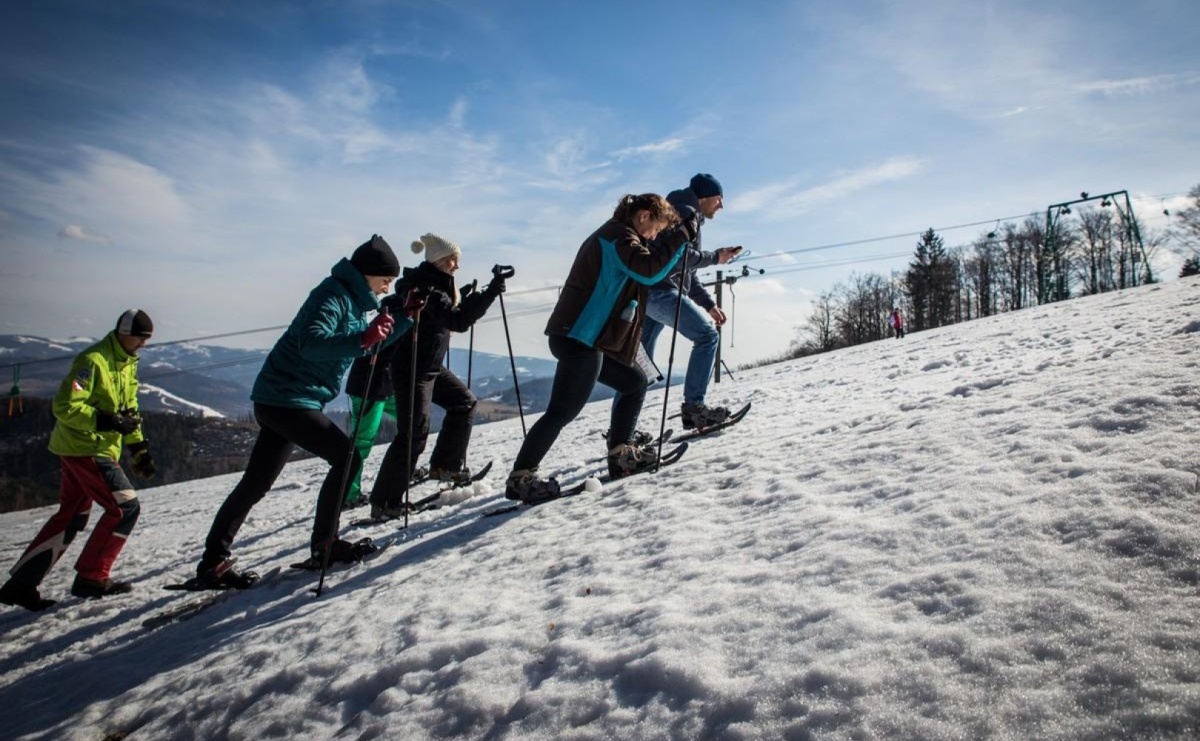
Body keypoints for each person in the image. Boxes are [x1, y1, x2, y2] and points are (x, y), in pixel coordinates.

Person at [188, 235, 405, 588]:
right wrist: (363, 339)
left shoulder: (351, 301)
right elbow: (312, 343)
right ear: (369, 273)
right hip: (288, 398)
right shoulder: (333, 295)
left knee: (256, 482)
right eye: (386, 280)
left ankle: (213, 562)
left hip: (285, 398)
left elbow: (360, 347)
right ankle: (325, 545)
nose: (387, 287)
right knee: (346, 457)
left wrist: (405, 320)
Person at [504, 193, 697, 504]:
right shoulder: (617, 237)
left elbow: (649, 269)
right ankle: (520, 477)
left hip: (584, 336)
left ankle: (621, 454)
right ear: (644, 216)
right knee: (562, 411)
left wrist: (676, 240)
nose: (655, 236)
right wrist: (681, 238)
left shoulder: (619, 236)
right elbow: (648, 270)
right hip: (580, 336)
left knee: (634, 382)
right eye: (657, 228)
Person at [0, 310, 157, 611]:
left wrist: (139, 447)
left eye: (146, 340)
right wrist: (107, 421)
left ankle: (20, 585)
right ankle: (92, 577)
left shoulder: (127, 363)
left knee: (71, 516)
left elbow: (130, 409)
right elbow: (65, 406)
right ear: (123, 333)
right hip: (86, 448)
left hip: (93, 448)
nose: (142, 345)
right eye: (140, 338)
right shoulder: (92, 361)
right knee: (125, 508)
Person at [368, 234, 505, 519]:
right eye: (452, 260)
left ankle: (446, 465)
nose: (457, 265)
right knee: (414, 433)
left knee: (464, 402)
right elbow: (457, 321)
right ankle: (384, 502)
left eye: (457, 260)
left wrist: (470, 298)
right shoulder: (426, 287)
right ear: (438, 260)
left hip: (429, 366)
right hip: (413, 369)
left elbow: (451, 314)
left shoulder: (434, 284)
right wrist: (489, 293)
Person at [638, 173, 742, 430]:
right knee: (707, 337)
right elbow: (681, 255)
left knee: (640, 367)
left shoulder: (680, 210)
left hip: (649, 292)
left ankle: (622, 436)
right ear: (705, 197)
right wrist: (715, 257)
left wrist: (708, 304)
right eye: (719, 200)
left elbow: (686, 270)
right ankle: (695, 408)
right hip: (661, 292)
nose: (721, 206)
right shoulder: (686, 212)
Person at [342, 356, 398, 508]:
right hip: (369, 386)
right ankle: (348, 494)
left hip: (387, 384)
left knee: (414, 422)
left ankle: (403, 471)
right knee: (362, 442)